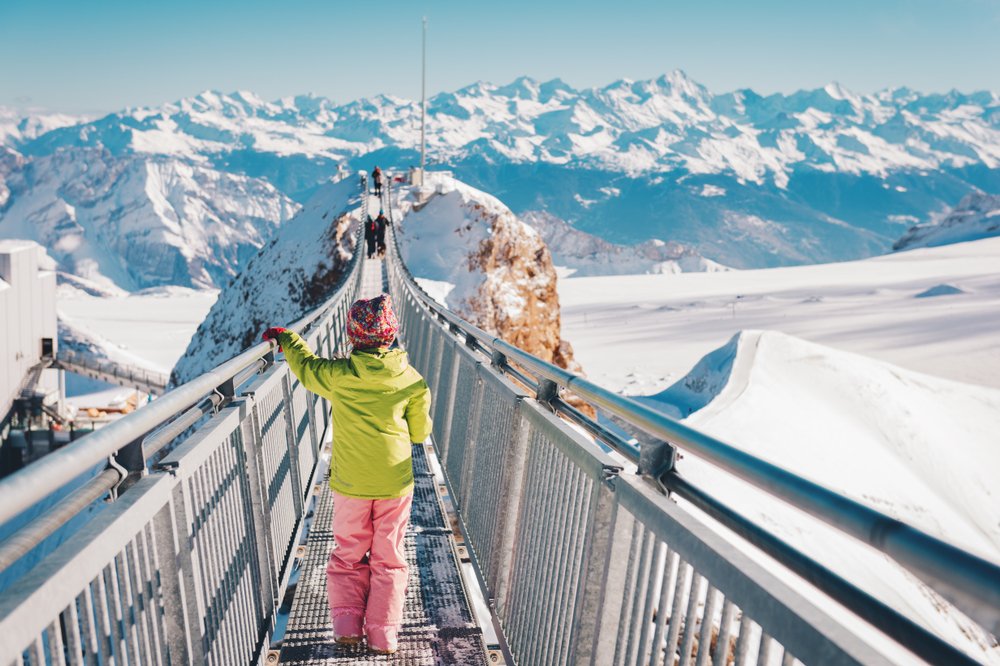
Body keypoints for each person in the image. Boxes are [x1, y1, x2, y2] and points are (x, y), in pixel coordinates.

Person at [261, 295, 432, 655]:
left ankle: (347, 628)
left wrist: (288, 338)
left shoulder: (339, 376)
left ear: (353, 336)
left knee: (348, 554)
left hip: (351, 484)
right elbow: (419, 434)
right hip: (394, 483)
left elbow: (307, 368)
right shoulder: (413, 381)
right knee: (389, 557)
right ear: (392, 335)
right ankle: (384, 635)